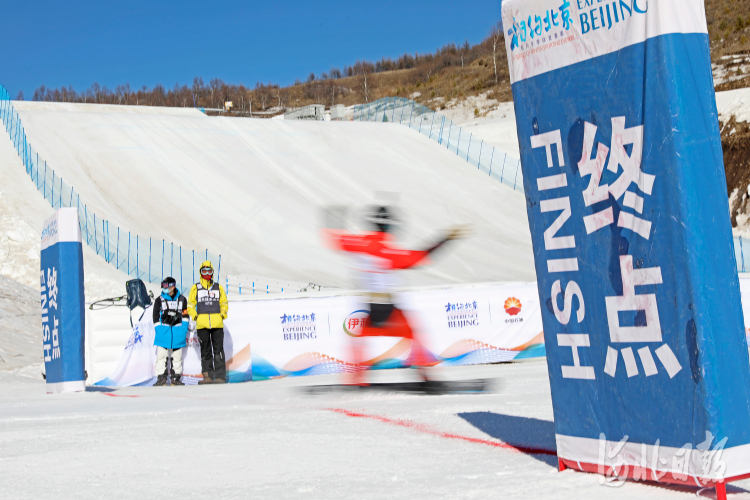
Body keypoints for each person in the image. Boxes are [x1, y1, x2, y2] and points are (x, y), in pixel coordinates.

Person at [324, 205, 468, 385]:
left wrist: (332, 220)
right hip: (387, 308)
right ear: (390, 226)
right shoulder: (389, 251)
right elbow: (421, 256)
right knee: (412, 331)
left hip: (369, 306)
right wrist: (446, 238)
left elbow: (335, 240)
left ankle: (356, 378)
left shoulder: (357, 244)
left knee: (358, 336)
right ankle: (424, 375)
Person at [188, 260, 229, 384]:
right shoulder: (196, 288)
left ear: (212, 272)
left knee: (218, 350)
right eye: (204, 271)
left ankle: (220, 376)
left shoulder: (218, 287)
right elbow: (190, 305)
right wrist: (195, 317)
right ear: (200, 272)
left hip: (217, 324)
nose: (207, 273)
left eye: (209, 271)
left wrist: (223, 314)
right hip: (202, 325)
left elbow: (224, 303)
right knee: (205, 351)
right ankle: (207, 376)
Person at [153, 277, 189, 386]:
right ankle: (161, 379)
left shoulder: (182, 299)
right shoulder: (159, 300)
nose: (164, 288)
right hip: (163, 333)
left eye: (166, 286)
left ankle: (176, 379)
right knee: (161, 357)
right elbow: (155, 316)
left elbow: (185, 315)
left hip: (178, 333)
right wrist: (159, 330)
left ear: (173, 286)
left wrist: (183, 329)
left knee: (177, 358)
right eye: (163, 286)